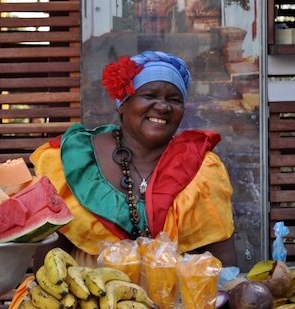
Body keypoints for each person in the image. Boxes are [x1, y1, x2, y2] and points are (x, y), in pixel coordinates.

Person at [31, 50, 237, 269]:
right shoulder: (77, 161)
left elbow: (223, 267)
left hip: (176, 301)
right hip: (90, 298)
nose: (163, 106)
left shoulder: (202, 170)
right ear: (123, 104)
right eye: (149, 96)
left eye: (174, 100)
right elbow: (48, 263)